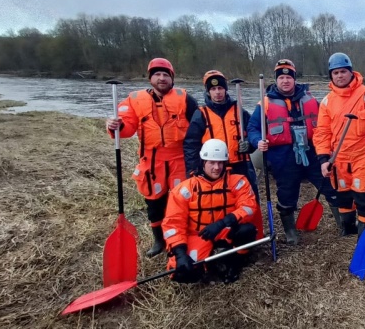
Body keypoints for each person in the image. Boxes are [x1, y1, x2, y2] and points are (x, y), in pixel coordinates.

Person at [105, 58, 198, 257]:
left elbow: (199, 126)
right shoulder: (134, 100)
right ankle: (159, 240)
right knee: (154, 203)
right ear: (150, 78)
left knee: (181, 202)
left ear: (172, 79)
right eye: (157, 75)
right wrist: (116, 126)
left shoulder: (185, 99)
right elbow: (127, 127)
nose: (162, 78)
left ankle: (180, 238)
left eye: (166, 75)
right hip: (152, 162)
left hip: (179, 160)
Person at [248, 59, 339, 245]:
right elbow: (252, 127)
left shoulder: (311, 99)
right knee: (287, 193)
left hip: (312, 152)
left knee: (330, 186)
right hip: (283, 156)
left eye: (288, 77)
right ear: (276, 80)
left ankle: (343, 224)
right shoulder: (264, 103)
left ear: (294, 79)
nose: (285, 81)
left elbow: (327, 123)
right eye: (281, 77)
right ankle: (290, 232)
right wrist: (258, 141)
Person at [162, 139, 260, 284]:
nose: (217, 167)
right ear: (203, 162)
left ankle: (236, 262)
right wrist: (180, 253)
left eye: (220, 162)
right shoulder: (185, 189)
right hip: (199, 235)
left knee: (247, 230)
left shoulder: (238, 182)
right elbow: (173, 224)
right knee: (183, 273)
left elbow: (249, 207)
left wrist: (222, 223)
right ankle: (210, 263)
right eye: (212, 163)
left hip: (225, 231)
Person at [183, 70, 263, 240]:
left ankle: (255, 236)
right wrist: (193, 169)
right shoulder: (201, 114)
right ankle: (222, 236)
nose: (217, 92)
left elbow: (253, 132)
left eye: (220, 88)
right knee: (219, 202)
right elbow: (191, 144)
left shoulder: (239, 111)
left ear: (226, 90)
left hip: (240, 164)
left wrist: (249, 145)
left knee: (250, 200)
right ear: (208, 91)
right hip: (214, 168)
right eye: (213, 89)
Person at [313, 53, 365, 237]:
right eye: (336, 73)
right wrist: (323, 159)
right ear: (331, 75)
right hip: (338, 158)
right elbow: (322, 132)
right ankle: (348, 230)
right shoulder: (327, 101)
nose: (340, 76)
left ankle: (364, 233)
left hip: (364, 156)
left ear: (351, 72)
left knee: (364, 195)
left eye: (343, 72)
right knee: (343, 195)